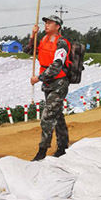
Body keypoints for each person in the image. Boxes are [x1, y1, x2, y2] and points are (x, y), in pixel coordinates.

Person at [25, 15, 70, 161]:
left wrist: (38, 78)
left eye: (50, 23)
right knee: (57, 115)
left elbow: (57, 66)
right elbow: (28, 50)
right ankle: (63, 146)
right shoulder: (43, 39)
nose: (46, 25)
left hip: (58, 83)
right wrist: (33, 36)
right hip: (48, 83)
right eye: (45, 23)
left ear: (57, 26)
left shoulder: (61, 43)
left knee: (47, 116)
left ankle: (42, 151)